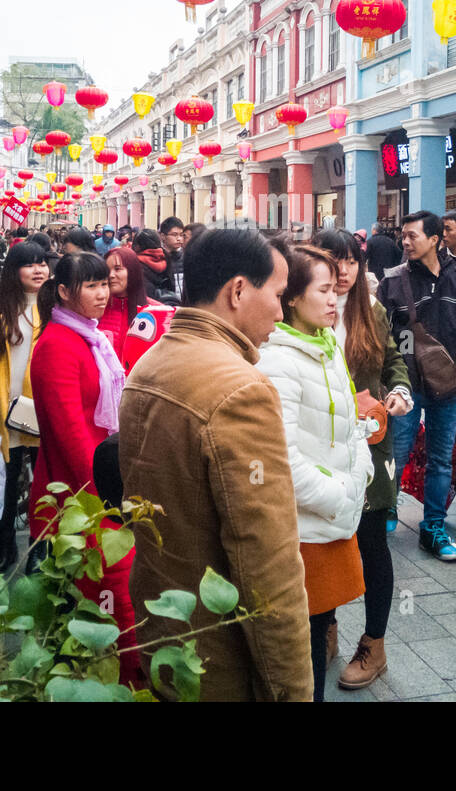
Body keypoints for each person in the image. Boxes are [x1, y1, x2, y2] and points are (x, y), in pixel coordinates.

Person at [119, 229, 313, 701]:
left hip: (164, 630)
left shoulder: (151, 364)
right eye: (279, 295)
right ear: (239, 291)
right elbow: (266, 563)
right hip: (219, 653)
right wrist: (293, 689)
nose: (282, 311)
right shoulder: (240, 390)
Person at [257, 244, 371, 703]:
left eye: (334, 288)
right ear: (291, 299)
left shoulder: (326, 346)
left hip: (332, 522)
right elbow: (280, 457)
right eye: (322, 289)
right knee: (301, 648)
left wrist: (357, 474)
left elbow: (349, 432)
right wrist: (339, 493)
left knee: (319, 630)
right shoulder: (278, 361)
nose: (333, 298)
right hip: (305, 529)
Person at [25, 252, 139, 684]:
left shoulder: (91, 338)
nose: (101, 294)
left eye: (104, 284)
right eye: (90, 286)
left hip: (100, 490)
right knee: (104, 602)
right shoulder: (57, 345)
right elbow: (72, 436)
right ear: (64, 292)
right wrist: (106, 503)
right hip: (77, 500)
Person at [314, 228, 411, 691]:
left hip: (371, 445)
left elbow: (393, 362)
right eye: (334, 260)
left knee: (372, 543)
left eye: (352, 260)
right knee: (328, 541)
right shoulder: (301, 313)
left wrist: (398, 392)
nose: (345, 270)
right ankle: (325, 628)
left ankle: (374, 643)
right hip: (322, 447)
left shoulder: (370, 310)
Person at [376, 211, 456, 558]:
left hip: (448, 387)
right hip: (405, 386)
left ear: (436, 240)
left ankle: (433, 525)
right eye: (403, 237)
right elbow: (381, 337)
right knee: (397, 449)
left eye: (413, 236)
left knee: (441, 458)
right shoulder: (392, 281)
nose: (405, 242)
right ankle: (386, 508)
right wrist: (390, 381)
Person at [0, 242, 49, 574]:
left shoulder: (52, 310)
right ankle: (5, 545)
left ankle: (39, 548)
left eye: (42, 264)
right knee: (6, 482)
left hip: (40, 409)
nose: (38, 270)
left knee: (41, 485)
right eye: (29, 264)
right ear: (14, 271)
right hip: (6, 410)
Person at [98, 245, 149, 362]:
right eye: (107, 270)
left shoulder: (152, 311)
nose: (111, 275)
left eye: (117, 269)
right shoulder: (94, 310)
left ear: (132, 272)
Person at [132, 228, 175, 304]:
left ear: (137, 246)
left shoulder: (135, 263)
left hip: (146, 310)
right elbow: (172, 286)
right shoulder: (166, 257)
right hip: (167, 306)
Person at [158, 216, 186, 299]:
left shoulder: (186, 257)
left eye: (181, 235)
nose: (179, 238)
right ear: (163, 236)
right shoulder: (158, 258)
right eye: (174, 235)